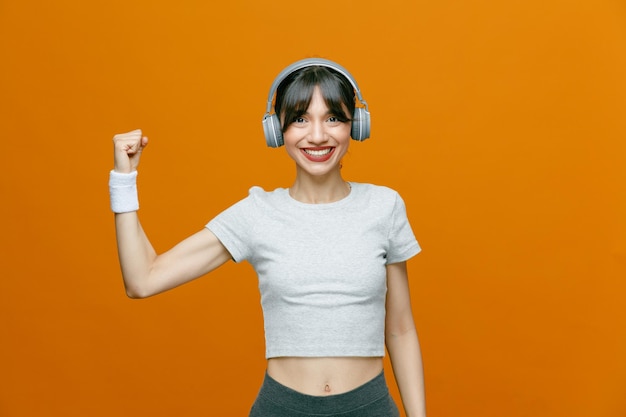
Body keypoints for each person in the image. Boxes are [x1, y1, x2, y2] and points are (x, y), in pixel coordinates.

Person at [109, 58, 426, 417]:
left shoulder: (384, 206)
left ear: (356, 124)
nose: (318, 135)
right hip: (282, 408)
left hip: (369, 407)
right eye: (300, 119)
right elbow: (143, 279)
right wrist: (124, 181)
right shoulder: (257, 212)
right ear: (277, 131)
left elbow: (400, 330)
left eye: (333, 118)